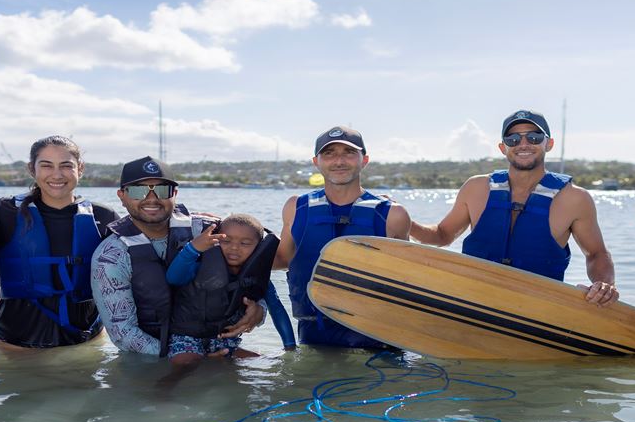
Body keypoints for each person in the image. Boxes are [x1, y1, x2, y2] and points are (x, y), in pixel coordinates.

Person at [408, 109, 620, 307]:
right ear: (503, 147)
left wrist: (604, 284)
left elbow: (596, 253)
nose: (523, 144)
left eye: (534, 137)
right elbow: (442, 235)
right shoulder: (475, 188)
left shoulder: (575, 199)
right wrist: (407, 224)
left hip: (539, 307)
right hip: (473, 300)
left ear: (549, 143)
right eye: (513, 139)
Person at [93, 157, 266, 356]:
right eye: (138, 191)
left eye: (162, 190)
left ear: (174, 194)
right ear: (121, 196)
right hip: (155, 360)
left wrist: (260, 310)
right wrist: (186, 357)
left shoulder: (208, 229)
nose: (151, 199)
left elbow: (261, 264)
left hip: (218, 344)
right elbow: (123, 334)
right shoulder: (111, 256)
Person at [276, 125, 412, 347]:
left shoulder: (393, 214)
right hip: (313, 337)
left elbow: (407, 278)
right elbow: (282, 259)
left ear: (364, 160)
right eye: (329, 154)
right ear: (316, 162)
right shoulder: (296, 207)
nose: (339, 161)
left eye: (348, 153)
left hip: (377, 339)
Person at [0, 136, 118, 348]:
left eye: (66, 166)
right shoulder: (3, 212)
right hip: (16, 345)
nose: (57, 174)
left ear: (80, 168)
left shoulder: (104, 216)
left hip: (86, 343)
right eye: (46, 165)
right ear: (31, 169)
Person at [164, 213, 296, 364]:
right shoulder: (202, 264)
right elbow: (173, 278)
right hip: (187, 339)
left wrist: (290, 348)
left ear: (259, 248)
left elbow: (277, 310)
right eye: (226, 240)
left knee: (260, 360)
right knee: (186, 364)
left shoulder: (257, 278)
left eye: (245, 243)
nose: (234, 248)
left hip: (225, 342)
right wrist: (192, 249)